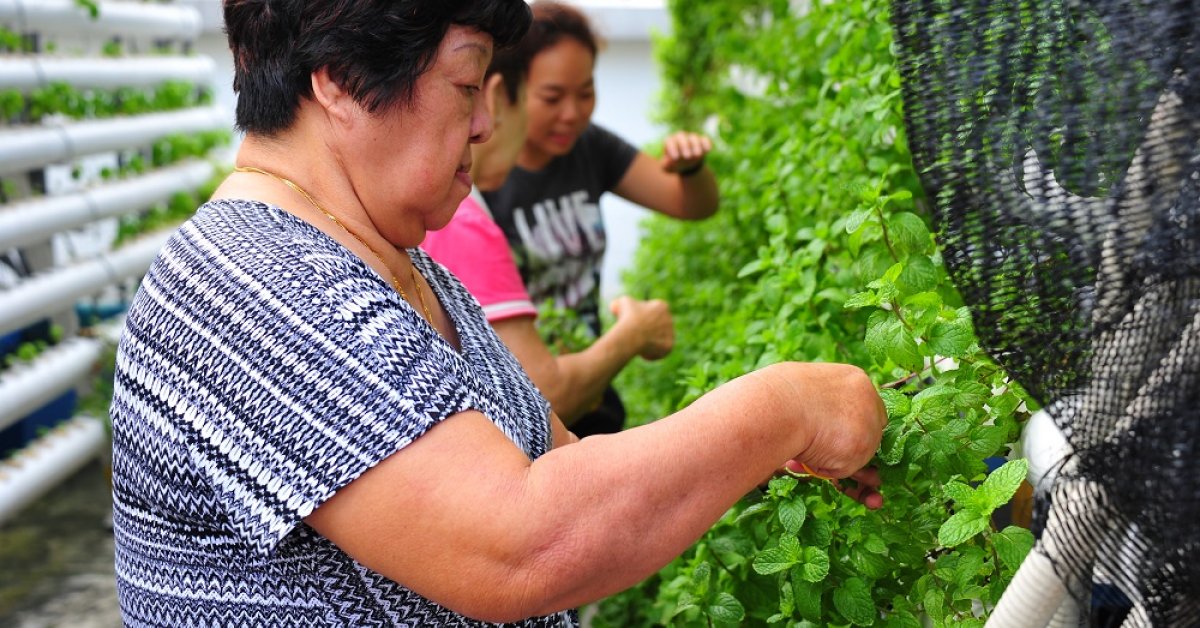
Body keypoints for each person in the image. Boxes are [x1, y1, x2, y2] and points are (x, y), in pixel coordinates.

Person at [109, 1, 886, 625]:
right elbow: (522, 544)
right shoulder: (250, 286)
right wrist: (784, 408)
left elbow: (562, 465)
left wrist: (747, 462)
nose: (485, 123)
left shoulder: (398, 263)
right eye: (465, 83)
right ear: (338, 81)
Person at [482, 0, 720, 436]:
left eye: (586, 92)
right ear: (507, 92)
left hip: (591, 383)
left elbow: (692, 204)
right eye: (552, 97)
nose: (572, 112)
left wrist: (691, 169)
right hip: (523, 402)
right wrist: (634, 334)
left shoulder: (589, 149)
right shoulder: (483, 178)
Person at [422, 40, 675, 428]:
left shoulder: (419, 210)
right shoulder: (463, 222)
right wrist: (634, 334)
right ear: (495, 98)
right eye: (535, 101)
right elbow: (543, 398)